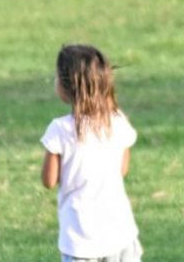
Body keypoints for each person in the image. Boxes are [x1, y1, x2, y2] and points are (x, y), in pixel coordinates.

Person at [40, 44, 142, 262]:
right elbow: (121, 170)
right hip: (120, 231)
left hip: (80, 238)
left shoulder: (59, 129)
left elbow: (49, 181)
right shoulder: (117, 121)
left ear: (68, 86)